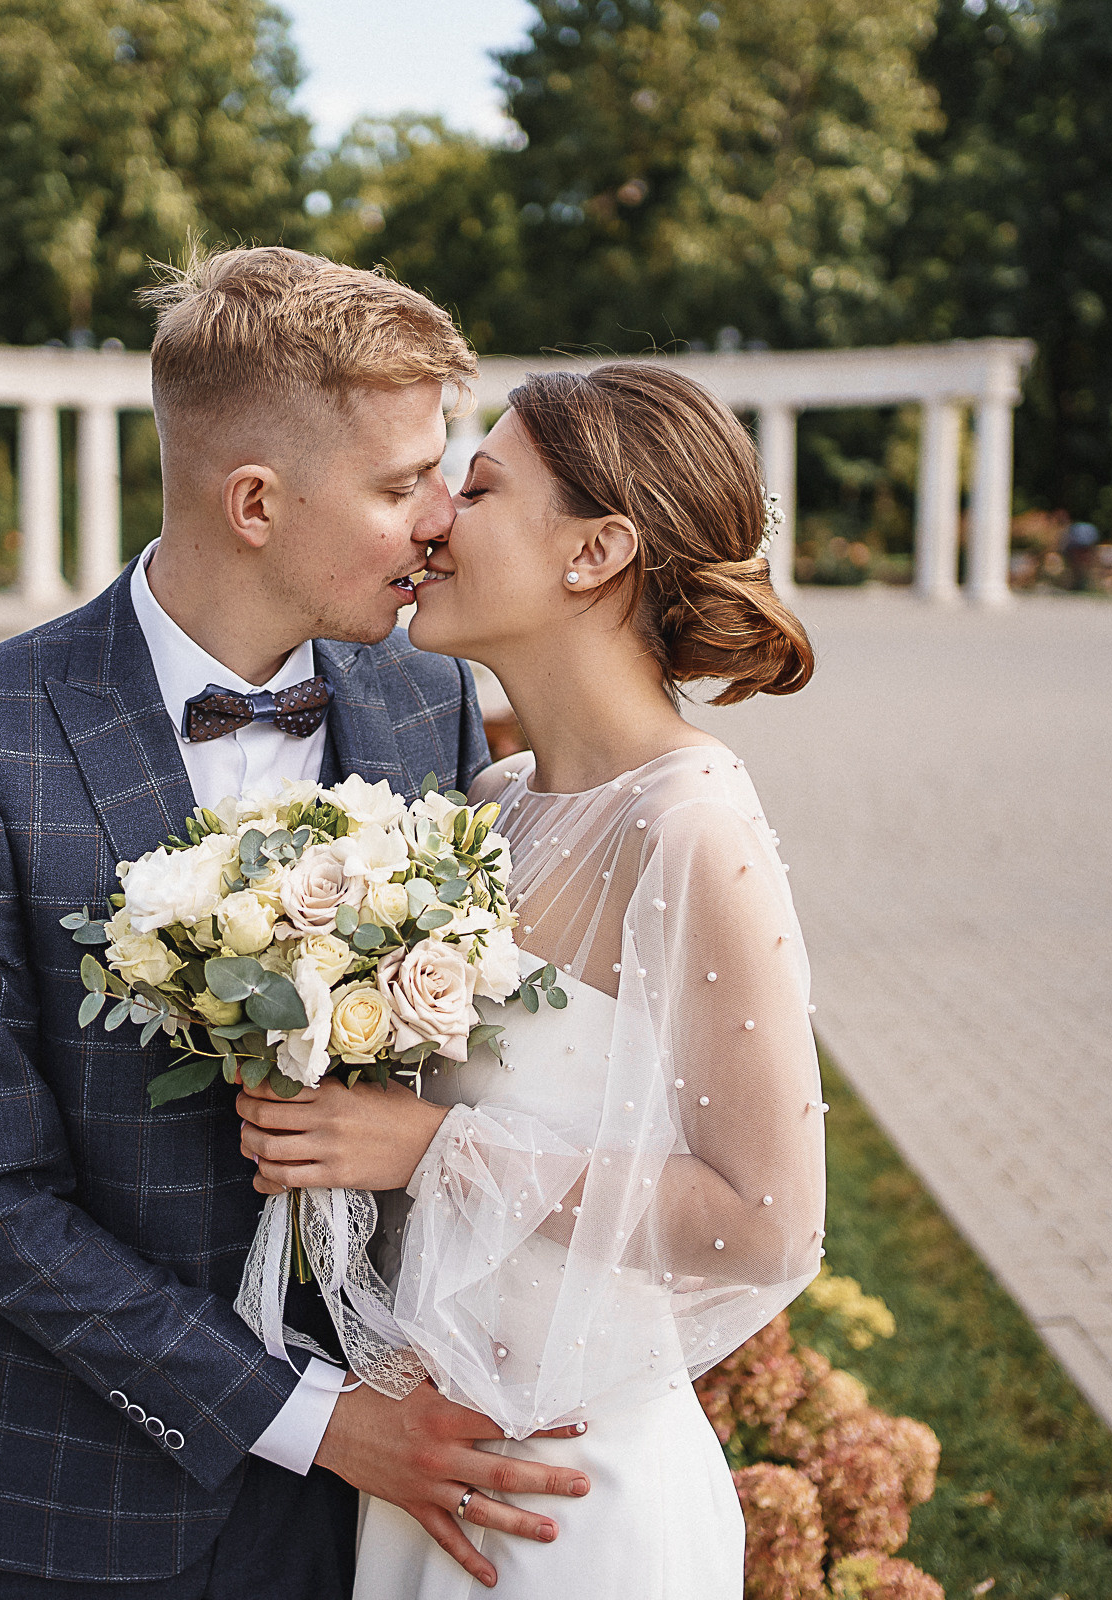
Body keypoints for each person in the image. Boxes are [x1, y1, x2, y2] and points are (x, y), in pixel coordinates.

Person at [0, 247, 592, 1600]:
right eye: (399, 485)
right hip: (51, 1505)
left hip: (350, 1528)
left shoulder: (416, 703)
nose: (443, 518)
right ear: (255, 502)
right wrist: (326, 1423)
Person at [234, 362, 828, 1596]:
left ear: (595, 551)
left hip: (579, 1500)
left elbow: (770, 1223)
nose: (437, 514)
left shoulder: (692, 824)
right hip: (434, 1470)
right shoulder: (491, 807)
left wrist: (428, 1148)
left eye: (484, 485)